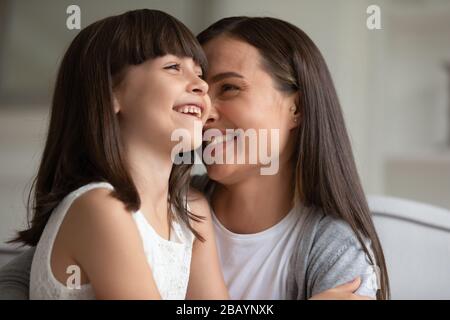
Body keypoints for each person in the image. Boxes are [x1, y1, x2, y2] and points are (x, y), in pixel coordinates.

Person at [0, 9, 228, 300]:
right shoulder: (99, 207)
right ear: (111, 93)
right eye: (173, 67)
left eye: (199, 72)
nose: (202, 85)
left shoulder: (192, 211)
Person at [190, 16, 389, 300]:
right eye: (199, 93)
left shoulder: (340, 250)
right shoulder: (169, 206)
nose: (203, 111)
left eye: (229, 88)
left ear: (296, 108)